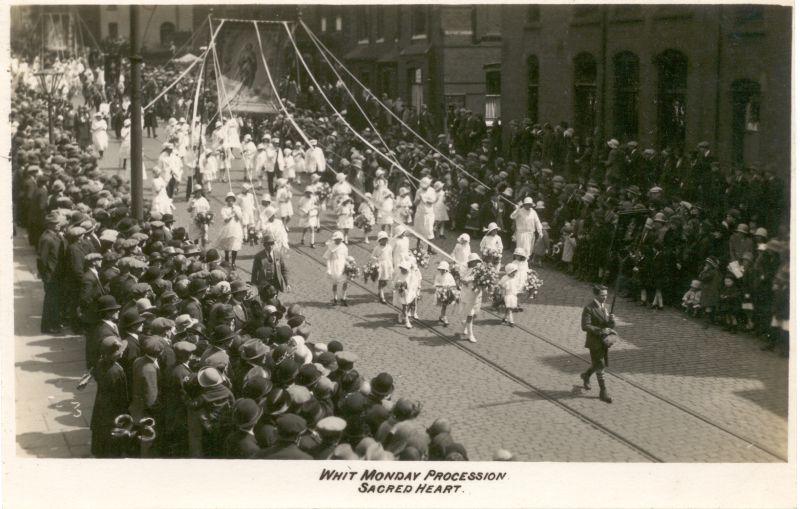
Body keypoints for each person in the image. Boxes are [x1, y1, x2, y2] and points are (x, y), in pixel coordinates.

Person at [90, 336, 128, 458]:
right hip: (113, 407)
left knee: (100, 430)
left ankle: (100, 451)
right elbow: (121, 393)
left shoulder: (100, 363)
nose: (122, 352)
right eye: (119, 351)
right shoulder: (116, 371)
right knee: (111, 432)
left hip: (101, 403)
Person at [579, 285, 615, 404]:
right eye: (602, 295)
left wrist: (611, 321)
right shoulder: (589, 308)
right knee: (600, 365)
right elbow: (585, 326)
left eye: (606, 295)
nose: (605, 298)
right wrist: (600, 330)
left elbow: (609, 325)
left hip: (604, 341)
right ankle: (603, 391)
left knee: (598, 363)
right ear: (596, 295)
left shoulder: (604, 307)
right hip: (594, 342)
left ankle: (586, 375)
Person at [458, 253, 483, 343]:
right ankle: (470, 334)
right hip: (467, 295)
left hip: (476, 295)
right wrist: (467, 280)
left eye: (477, 261)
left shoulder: (480, 270)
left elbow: (481, 280)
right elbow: (463, 280)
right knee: (470, 315)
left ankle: (465, 326)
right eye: (473, 262)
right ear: (470, 262)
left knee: (473, 315)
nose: (475, 263)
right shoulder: (465, 270)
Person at [509, 197, 543, 262]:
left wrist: (540, 231)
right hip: (521, 234)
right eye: (527, 204)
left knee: (529, 250)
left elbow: (537, 222)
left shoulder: (533, 212)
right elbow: (512, 216)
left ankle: (525, 265)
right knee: (521, 250)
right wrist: (517, 209)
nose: (528, 206)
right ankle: (518, 263)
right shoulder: (520, 211)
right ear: (524, 204)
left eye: (530, 204)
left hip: (531, 234)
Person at [217, 192, 244, 268]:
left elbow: (240, 218)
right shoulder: (224, 209)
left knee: (235, 245)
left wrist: (236, 211)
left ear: (234, 200)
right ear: (227, 200)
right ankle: (227, 261)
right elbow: (225, 219)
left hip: (236, 228)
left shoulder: (237, 208)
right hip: (227, 228)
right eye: (229, 200)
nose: (230, 202)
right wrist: (231, 214)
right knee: (227, 246)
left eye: (232, 200)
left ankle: (233, 262)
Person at [323, 231, 349, 306]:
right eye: (336, 239)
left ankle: (343, 298)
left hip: (343, 265)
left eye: (339, 239)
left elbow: (346, 257)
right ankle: (335, 298)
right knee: (335, 283)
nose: (338, 240)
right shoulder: (331, 247)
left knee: (345, 282)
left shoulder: (344, 247)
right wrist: (329, 269)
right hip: (334, 266)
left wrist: (349, 265)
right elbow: (327, 258)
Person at [370, 231, 394, 304]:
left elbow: (390, 256)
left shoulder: (389, 247)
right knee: (381, 280)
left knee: (386, 280)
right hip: (381, 265)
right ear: (380, 240)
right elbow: (372, 256)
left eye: (385, 239)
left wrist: (391, 265)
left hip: (388, 265)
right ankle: (381, 295)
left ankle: (380, 291)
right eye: (382, 239)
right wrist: (376, 259)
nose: (384, 240)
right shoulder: (377, 248)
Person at [434, 261, 457, 326]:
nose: (442, 271)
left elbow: (453, 284)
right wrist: (439, 288)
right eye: (441, 270)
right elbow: (436, 283)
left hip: (448, 293)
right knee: (444, 305)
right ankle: (443, 317)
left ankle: (442, 316)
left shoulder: (449, 276)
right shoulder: (438, 275)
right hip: (440, 293)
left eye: (443, 270)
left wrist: (450, 288)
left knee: (445, 305)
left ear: (446, 270)